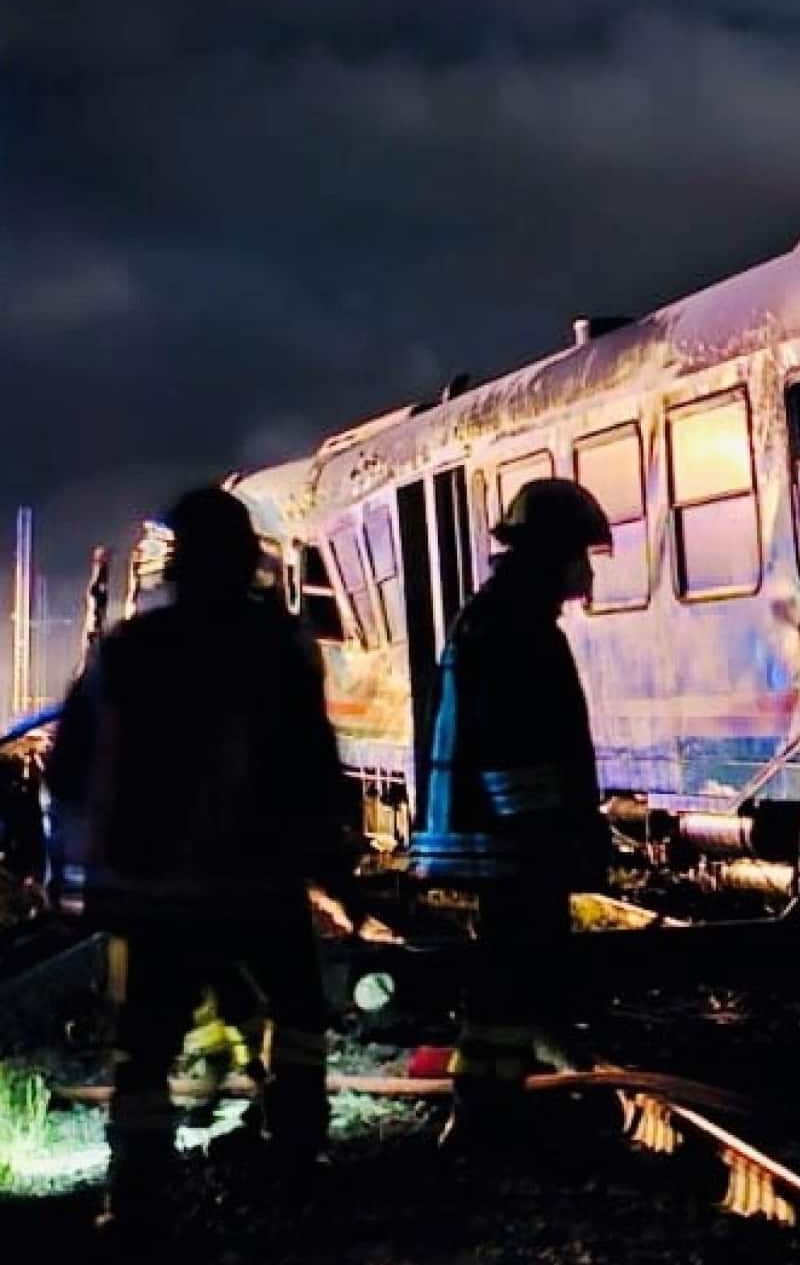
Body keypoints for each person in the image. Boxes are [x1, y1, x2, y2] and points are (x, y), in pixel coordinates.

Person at [45, 487, 356, 1236]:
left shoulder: (126, 650)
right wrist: (329, 859)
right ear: (251, 559)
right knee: (300, 1014)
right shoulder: (278, 646)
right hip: (256, 877)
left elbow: (69, 767)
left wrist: (75, 872)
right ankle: (297, 1159)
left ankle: (137, 1193)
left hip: (148, 890)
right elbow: (310, 762)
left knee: (144, 1047)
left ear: (173, 566)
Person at [407, 478, 612, 1148]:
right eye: (580, 554)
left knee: (507, 976)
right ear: (552, 553)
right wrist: (553, 834)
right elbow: (518, 746)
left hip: (503, 838)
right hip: (513, 841)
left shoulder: (497, 617)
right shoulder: (515, 629)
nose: (586, 571)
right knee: (511, 973)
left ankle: (495, 1104)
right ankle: (487, 1114)